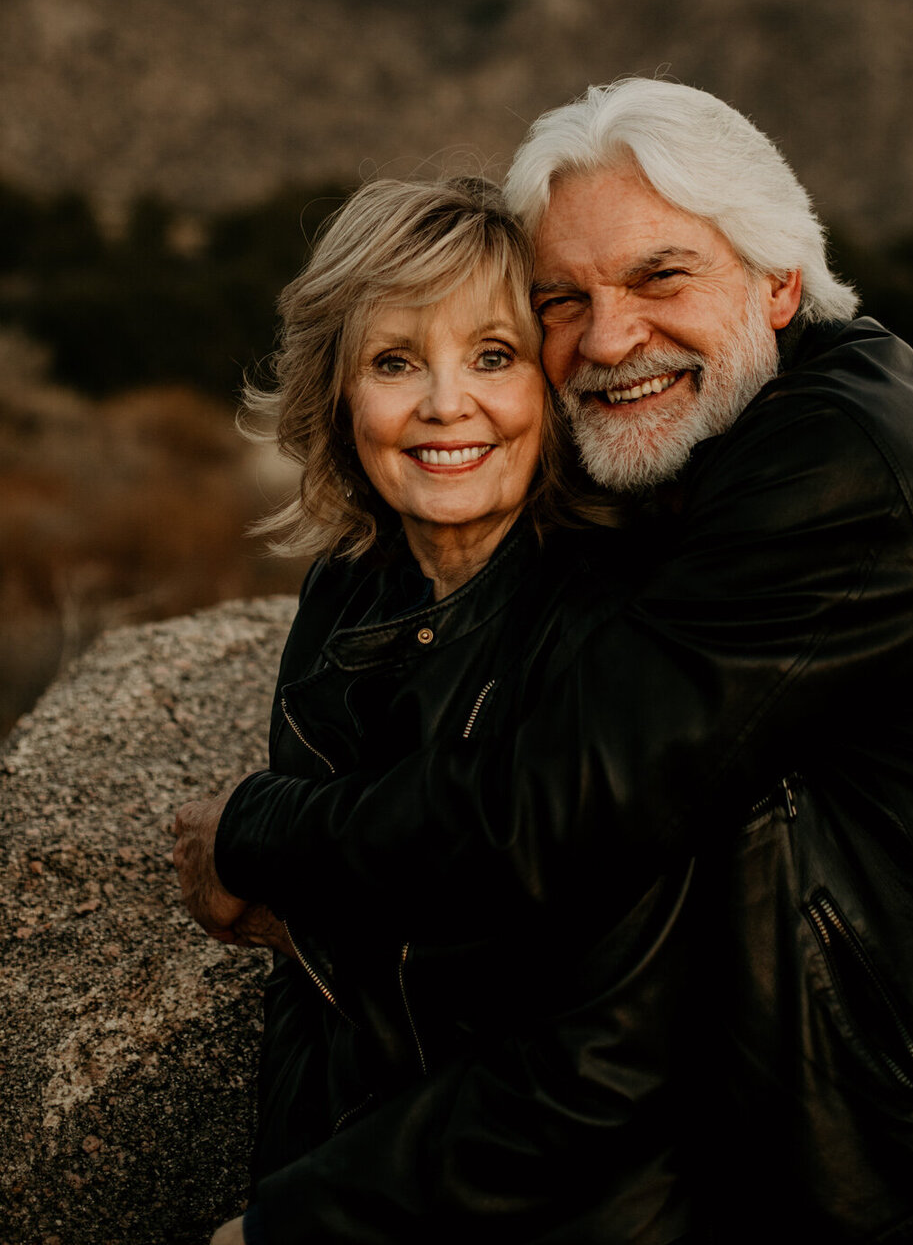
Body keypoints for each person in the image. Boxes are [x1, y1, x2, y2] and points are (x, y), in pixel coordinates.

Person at [179, 79, 913, 1244]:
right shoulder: (671, 474)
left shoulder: (832, 464)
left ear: (779, 282)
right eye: (565, 299)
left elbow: (552, 817)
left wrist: (260, 831)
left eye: (662, 278)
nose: (610, 336)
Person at [178, 175, 695, 1245]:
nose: (446, 404)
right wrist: (283, 1189)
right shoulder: (348, 589)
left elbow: (604, 1049)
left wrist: (302, 1226)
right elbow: (315, 970)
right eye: (394, 361)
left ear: (556, 382)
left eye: (493, 357)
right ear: (338, 394)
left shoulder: (618, 618)